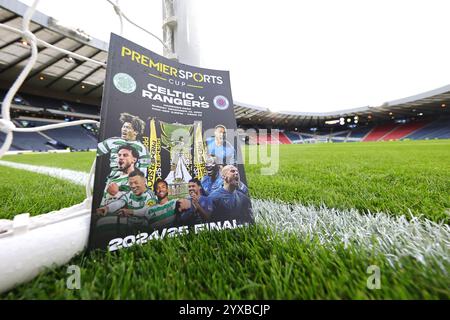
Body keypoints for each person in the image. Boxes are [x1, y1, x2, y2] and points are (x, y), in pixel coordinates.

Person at [120, 178, 191, 230]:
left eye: (163, 187)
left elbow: (185, 202)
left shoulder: (174, 203)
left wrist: (186, 202)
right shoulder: (150, 209)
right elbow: (141, 213)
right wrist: (126, 212)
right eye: (158, 188)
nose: (161, 190)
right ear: (155, 192)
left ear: (167, 190)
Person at [97, 112, 150, 177]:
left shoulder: (142, 148)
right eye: (124, 127)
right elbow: (95, 152)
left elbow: (143, 172)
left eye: (128, 128)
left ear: (136, 132)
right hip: (113, 181)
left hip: (131, 183)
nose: (124, 129)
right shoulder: (112, 141)